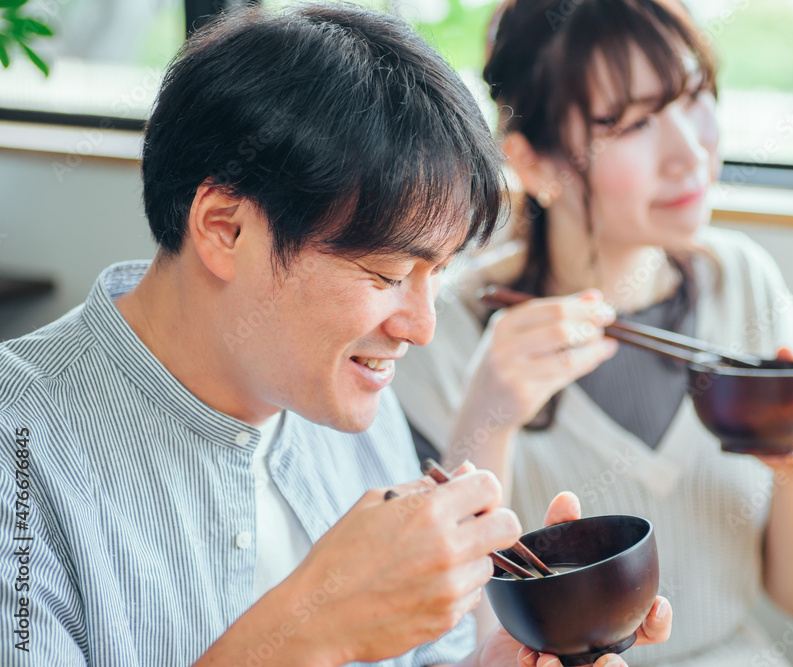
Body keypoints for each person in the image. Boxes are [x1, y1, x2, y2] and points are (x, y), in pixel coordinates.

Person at [0, 4, 673, 666]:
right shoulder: (18, 449)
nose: (420, 326)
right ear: (224, 229)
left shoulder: (343, 388)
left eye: (436, 273)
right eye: (385, 274)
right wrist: (315, 626)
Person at [394, 1, 793, 665]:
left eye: (694, 94)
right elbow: (447, 641)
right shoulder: (446, 322)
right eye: (634, 122)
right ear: (536, 163)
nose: (690, 149)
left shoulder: (743, 281)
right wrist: (488, 417)